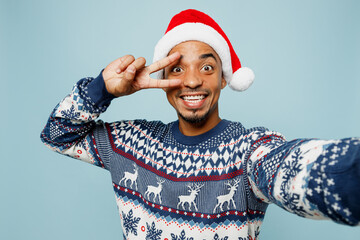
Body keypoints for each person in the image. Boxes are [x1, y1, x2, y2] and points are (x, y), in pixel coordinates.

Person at [40, 9, 360, 240]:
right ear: (162, 79)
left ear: (223, 79)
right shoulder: (129, 143)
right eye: (177, 69)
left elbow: (297, 169)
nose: (192, 81)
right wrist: (101, 89)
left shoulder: (249, 151)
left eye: (207, 67)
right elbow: (57, 135)